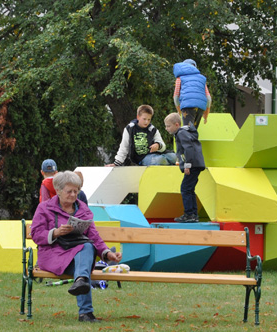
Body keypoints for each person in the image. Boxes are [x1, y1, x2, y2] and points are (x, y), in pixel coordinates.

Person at [31, 171, 122, 322]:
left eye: (76, 191)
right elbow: (36, 234)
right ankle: (86, 313)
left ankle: (81, 286)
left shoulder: (83, 209)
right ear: (58, 191)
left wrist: (107, 253)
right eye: (69, 191)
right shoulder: (44, 208)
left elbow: (94, 236)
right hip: (53, 254)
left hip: (78, 256)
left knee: (87, 247)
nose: (73, 195)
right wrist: (55, 233)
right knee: (84, 267)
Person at [164, 113, 205, 223]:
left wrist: (187, 165)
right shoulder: (184, 132)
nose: (166, 128)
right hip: (195, 164)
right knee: (189, 189)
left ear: (176, 124)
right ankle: (193, 214)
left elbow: (189, 149)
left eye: (168, 126)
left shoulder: (181, 133)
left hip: (192, 165)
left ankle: (189, 214)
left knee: (185, 188)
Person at [107, 105, 176, 166]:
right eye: (144, 119)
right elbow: (124, 147)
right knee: (160, 160)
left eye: (149, 119)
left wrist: (158, 145)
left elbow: (163, 146)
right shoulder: (130, 128)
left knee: (175, 157)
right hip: (142, 158)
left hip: (157, 154)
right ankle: (168, 163)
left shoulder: (152, 129)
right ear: (138, 117)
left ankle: (169, 162)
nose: (147, 122)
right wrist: (116, 163)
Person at [173, 59, 212, 129]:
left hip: (187, 106)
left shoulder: (180, 78)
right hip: (200, 107)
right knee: (193, 131)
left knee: (187, 131)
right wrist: (206, 114)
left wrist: (179, 111)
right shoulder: (201, 79)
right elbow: (208, 98)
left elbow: (176, 97)